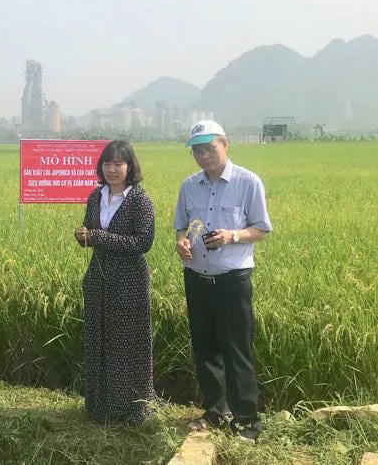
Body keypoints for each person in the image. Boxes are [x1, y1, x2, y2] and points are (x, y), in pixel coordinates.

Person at [174, 120, 272, 442]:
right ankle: (216, 412)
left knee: (236, 350)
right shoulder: (189, 186)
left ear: (225, 145)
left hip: (232, 280)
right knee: (205, 349)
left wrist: (232, 235)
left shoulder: (248, 182)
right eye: (197, 151)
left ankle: (248, 421)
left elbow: (261, 228)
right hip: (197, 278)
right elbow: (181, 226)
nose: (203, 156)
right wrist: (182, 242)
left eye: (210, 149)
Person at [74, 140, 155, 424]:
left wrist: (99, 237)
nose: (112, 169)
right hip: (98, 278)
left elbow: (143, 242)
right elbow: (90, 232)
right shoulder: (96, 197)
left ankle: (131, 409)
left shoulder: (139, 200)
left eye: (119, 163)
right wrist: (83, 236)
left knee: (127, 342)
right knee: (99, 339)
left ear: (130, 167)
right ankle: (99, 406)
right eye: (107, 163)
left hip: (129, 281)